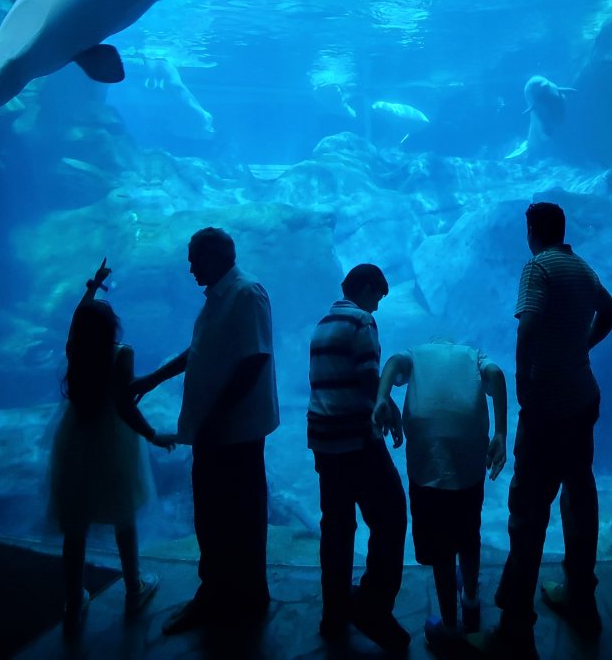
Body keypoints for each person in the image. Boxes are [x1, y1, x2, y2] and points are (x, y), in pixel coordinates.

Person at [478, 202, 612, 659]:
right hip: (583, 398)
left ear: (532, 231)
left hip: (547, 407)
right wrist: (582, 346)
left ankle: (515, 626)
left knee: (528, 511)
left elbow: (528, 327)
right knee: (579, 494)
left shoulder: (538, 268)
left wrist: (524, 381)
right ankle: (581, 598)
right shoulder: (583, 267)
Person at [130, 227, 280, 637]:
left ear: (216, 257)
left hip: (233, 433)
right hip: (220, 431)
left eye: (195, 258)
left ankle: (226, 596)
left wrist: (215, 419)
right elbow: (198, 352)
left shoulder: (246, 294)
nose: (190, 266)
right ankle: (236, 594)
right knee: (225, 513)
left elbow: (254, 361)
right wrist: (151, 379)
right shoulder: (220, 297)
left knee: (226, 515)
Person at [47, 260, 175, 637]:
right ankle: (134, 587)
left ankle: (73, 601)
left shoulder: (75, 349)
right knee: (123, 515)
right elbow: (123, 405)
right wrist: (153, 435)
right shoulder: (121, 354)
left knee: (76, 523)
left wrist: (93, 284)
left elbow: (77, 321)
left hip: (73, 438)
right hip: (112, 442)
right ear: (112, 327)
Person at [373, 337, 508, 652]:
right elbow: (497, 375)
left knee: (442, 551)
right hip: (469, 466)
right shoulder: (474, 355)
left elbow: (393, 363)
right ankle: (471, 602)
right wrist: (501, 432)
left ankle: (449, 627)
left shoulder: (416, 354)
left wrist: (382, 397)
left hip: (427, 467)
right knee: (468, 534)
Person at [308, 263, 411, 655]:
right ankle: (372, 606)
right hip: (355, 439)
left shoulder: (323, 323)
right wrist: (392, 413)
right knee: (391, 517)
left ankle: (333, 614)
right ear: (367, 289)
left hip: (323, 440)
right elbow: (371, 378)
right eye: (379, 297)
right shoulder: (361, 321)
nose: (379, 307)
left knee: (337, 527)